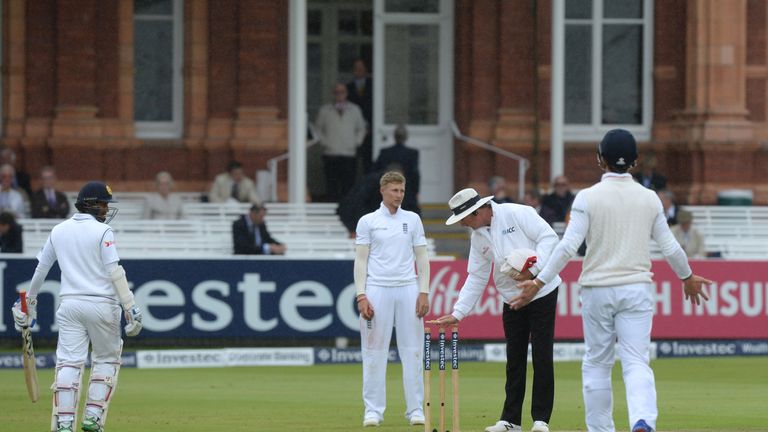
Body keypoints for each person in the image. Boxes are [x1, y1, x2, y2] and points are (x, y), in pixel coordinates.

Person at [515, 129, 712, 432]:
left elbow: (567, 246)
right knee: (636, 361)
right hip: (636, 289)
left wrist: (539, 282)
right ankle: (642, 420)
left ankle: (601, 430)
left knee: (597, 363)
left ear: (599, 159)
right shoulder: (649, 198)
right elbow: (670, 246)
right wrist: (686, 276)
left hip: (597, 290)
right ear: (634, 162)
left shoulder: (588, 197)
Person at [11, 181, 143, 432]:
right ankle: (92, 418)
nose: (106, 209)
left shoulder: (58, 230)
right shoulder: (103, 232)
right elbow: (114, 271)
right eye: (103, 204)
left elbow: (41, 269)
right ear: (91, 205)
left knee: (69, 363)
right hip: (102, 305)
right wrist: (130, 306)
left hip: (70, 305)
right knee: (105, 360)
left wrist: (27, 302)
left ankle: (64, 423)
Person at [429, 188, 561, 432]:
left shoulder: (517, 213)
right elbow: (477, 276)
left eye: (463, 219)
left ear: (477, 211)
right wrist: (458, 312)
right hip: (512, 298)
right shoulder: (477, 237)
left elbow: (549, 238)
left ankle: (541, 420)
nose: (462, 224)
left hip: (542, 291)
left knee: (542, 355)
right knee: (514, 358)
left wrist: (535, 272)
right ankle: (511, 420)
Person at [355, 171, 430, 427]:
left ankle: (415, 409)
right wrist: (361, 295)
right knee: (374, 351)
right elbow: (361, 260)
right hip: (377, 288)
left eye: (402, 191)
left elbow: (422, 258)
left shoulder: (413, 219)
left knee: (413, 351)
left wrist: (424, 291)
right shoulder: (368, 221)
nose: (399, 195)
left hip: (408, 288)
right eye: (394, 190)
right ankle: (373, 411)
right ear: (383, 190)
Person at [315, 82, 367, 202]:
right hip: (330, 154)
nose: (340, 95)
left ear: (346, 93)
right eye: (337, 92)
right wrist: (325, 142)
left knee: (348, 186)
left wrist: (356, 142)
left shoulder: (354, 110)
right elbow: (317, 130)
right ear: (333, 94)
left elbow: (362, 128)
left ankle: (346, 211)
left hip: (349, 154)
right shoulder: (325, 110)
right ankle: (333, 211)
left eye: (342, 92)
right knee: (331, 186)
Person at [373, 125, 421, 214]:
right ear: (406, 137)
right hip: (407, 191)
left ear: (394, 137)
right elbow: (415, 174)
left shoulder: (385, 152)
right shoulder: (412, 153)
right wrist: (416, 191)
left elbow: (376, 171)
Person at [346, 59, 374, 175]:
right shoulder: (348, 87)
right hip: (353, 130)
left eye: (361, 68)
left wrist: (370, 126)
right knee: (351, 162)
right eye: (356, 68)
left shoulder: (373, 85)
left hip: (371, 130)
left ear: (366, 69)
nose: (359, 70)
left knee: (368, 162)